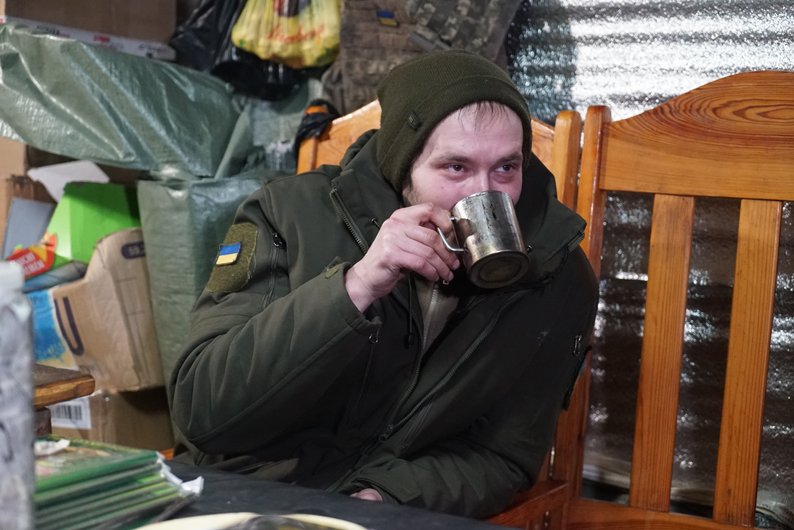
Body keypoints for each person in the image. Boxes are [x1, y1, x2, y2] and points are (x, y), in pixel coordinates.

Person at [168, 49, 598, 519]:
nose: (484, 193)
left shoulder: (556, 276)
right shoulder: (286, 214)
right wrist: (354, 287)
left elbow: (505, 454)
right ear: (402, 162)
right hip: (243, 493)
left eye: (506, 168)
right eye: (456, 167)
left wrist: (387, 496)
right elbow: (204, 410)